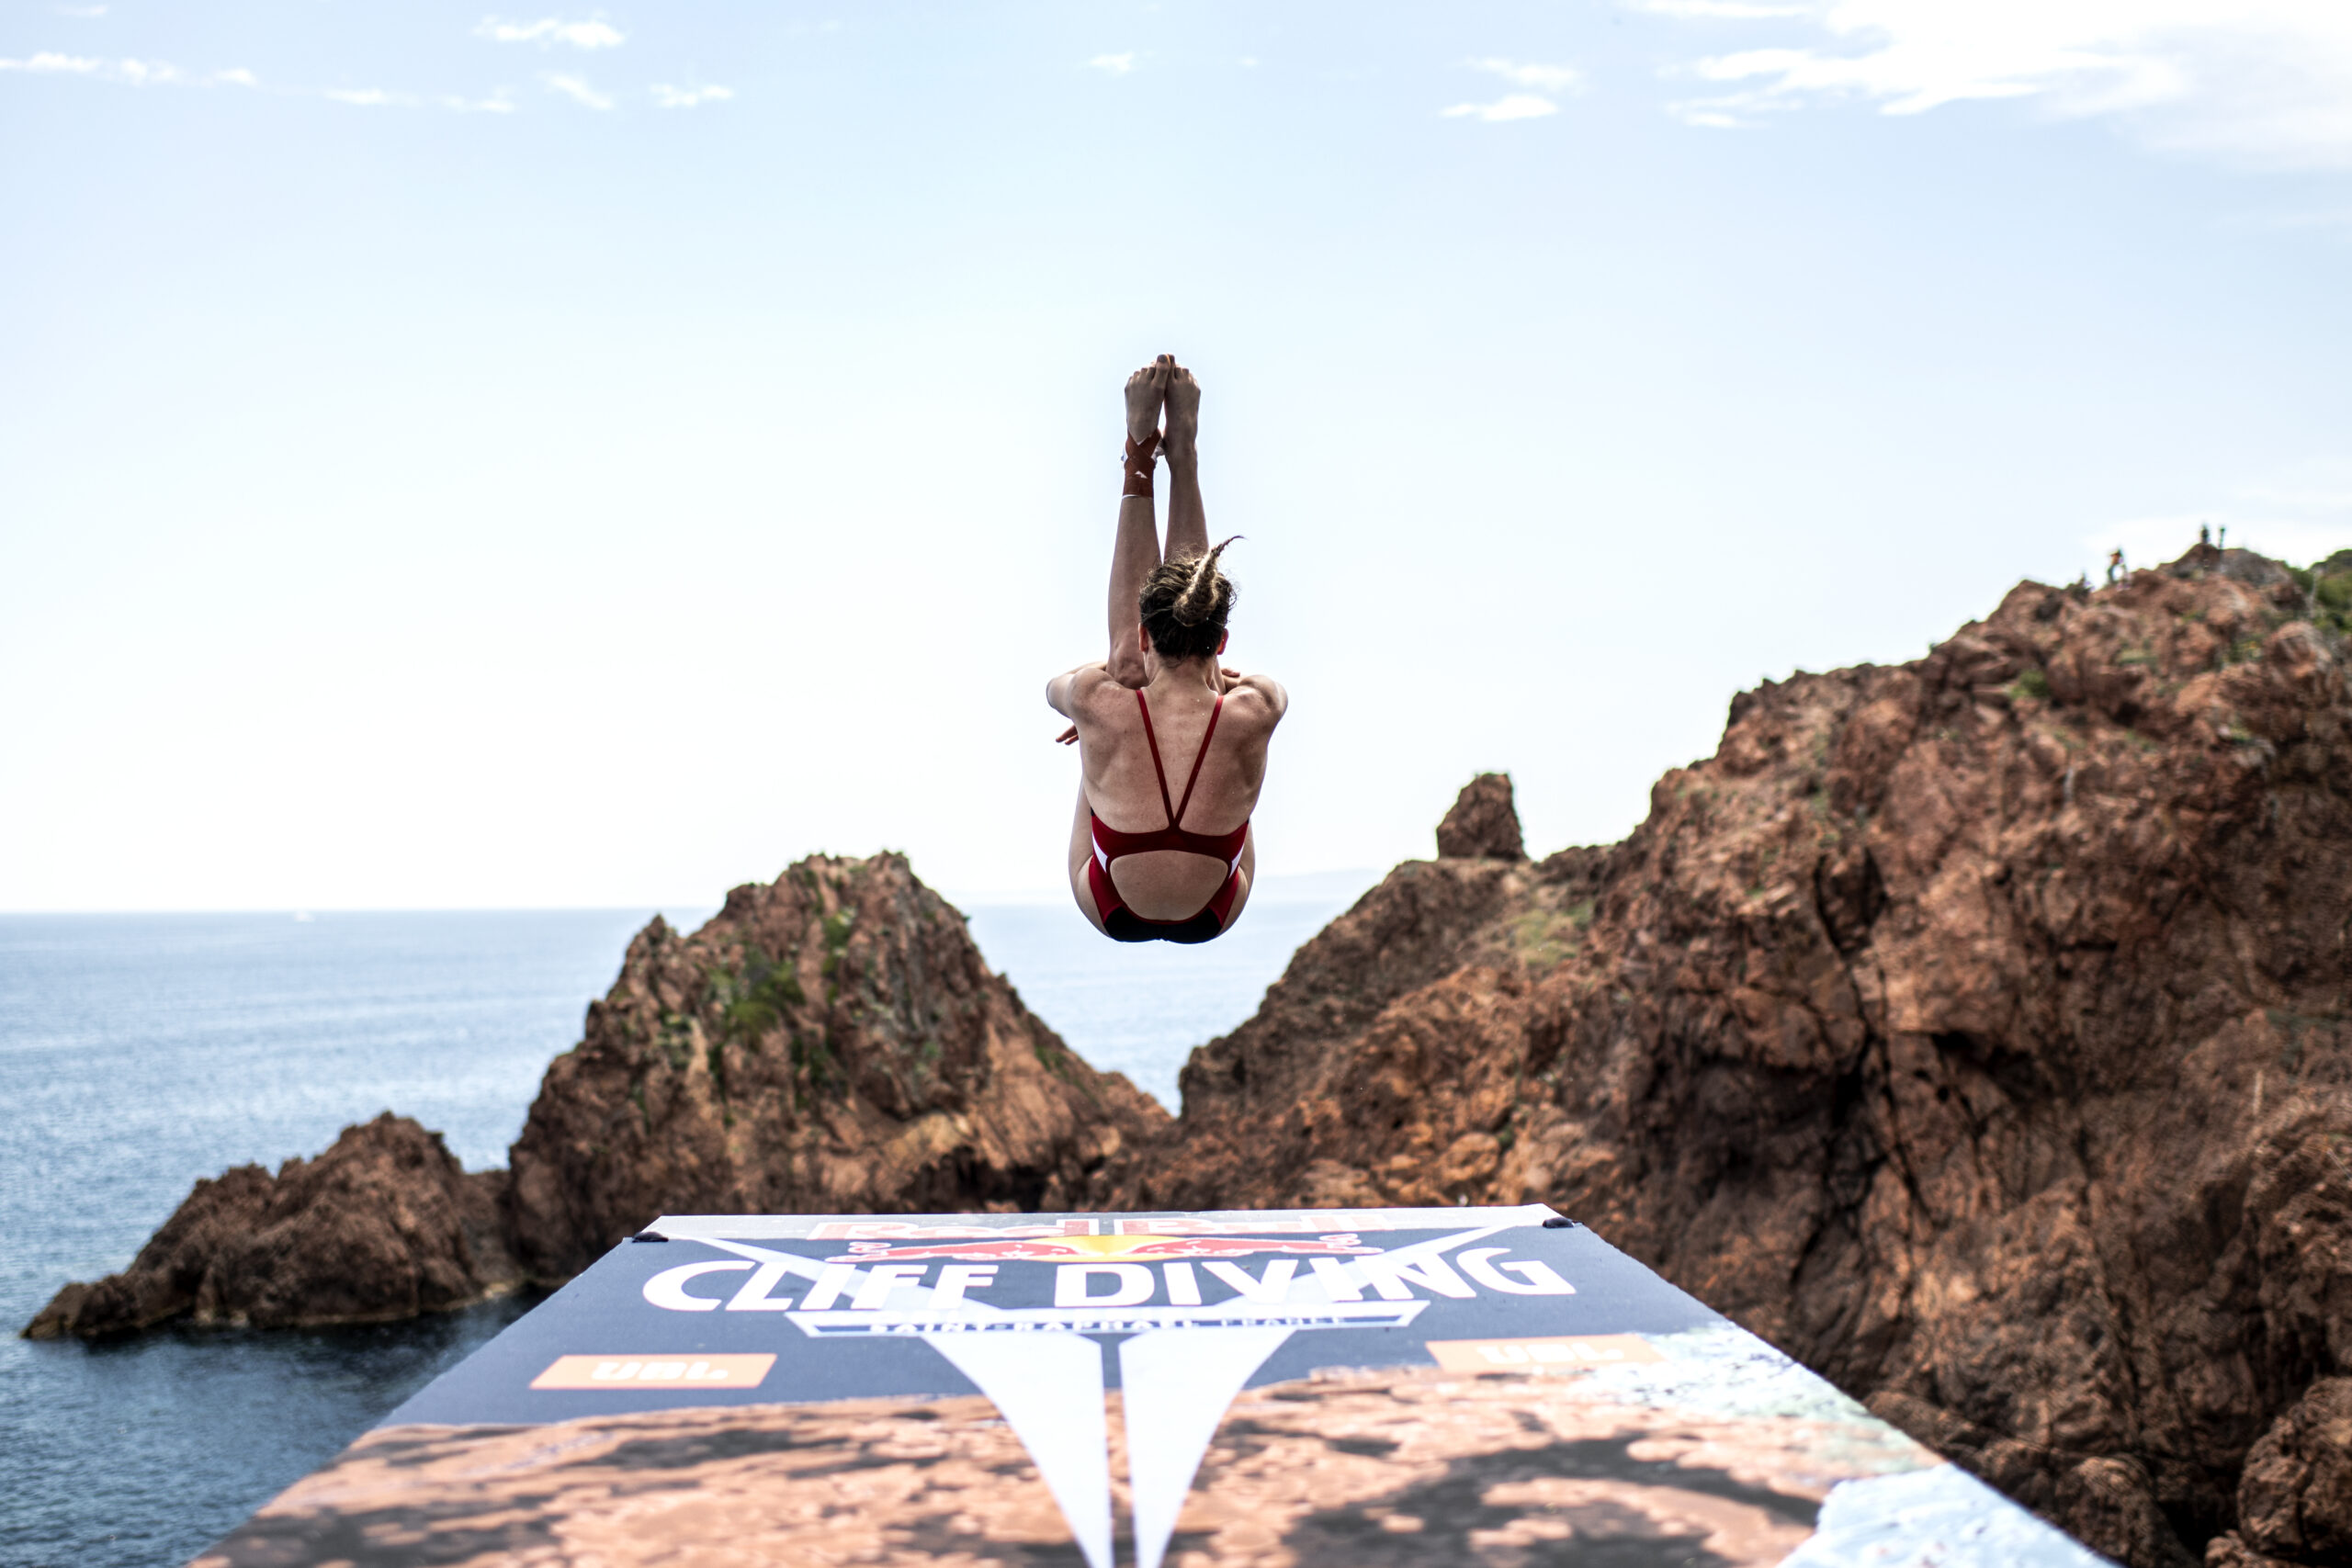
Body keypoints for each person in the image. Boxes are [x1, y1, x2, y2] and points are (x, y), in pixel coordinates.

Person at [1045, 356, 1287, 943]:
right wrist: (1196, 686)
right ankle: (1184, 457)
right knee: (1126, 689)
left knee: (1120, 681)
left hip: (1114, 904)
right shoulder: (1264, 703)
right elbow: (1209, 679)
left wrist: (1111, 704)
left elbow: (1059, 688)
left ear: (1144, 633)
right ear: (1222, 641)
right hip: (1215, 909)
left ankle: (1142, 461)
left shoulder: (1096, 695)